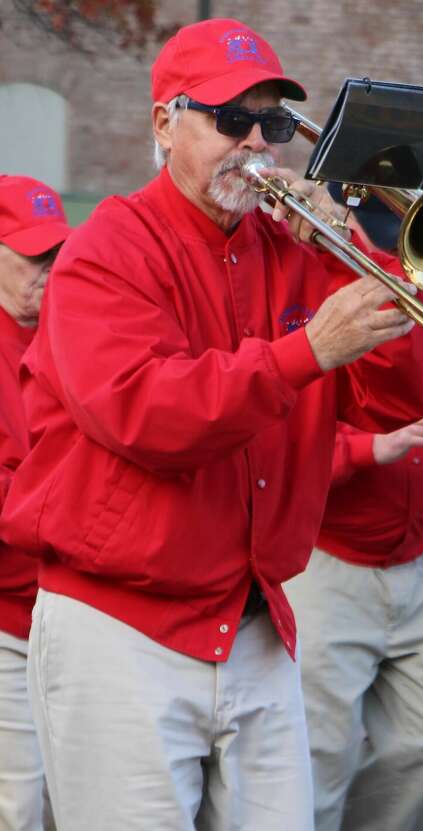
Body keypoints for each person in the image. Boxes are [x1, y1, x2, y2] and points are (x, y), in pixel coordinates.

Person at [0, 18, 423, 830]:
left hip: (252, 617)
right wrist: (306, 350)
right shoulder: (108, 246)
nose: (255, 143)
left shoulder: (293, 246)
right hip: (120, 620)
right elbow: (148, 412)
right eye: (230, 118)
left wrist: (354, 247)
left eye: (271, 123)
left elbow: (405, 395)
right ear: (164, 123)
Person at [287, 185, 423, 831]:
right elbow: (281, 438)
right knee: (316, 752)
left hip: (421, 555)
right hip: (329, 560)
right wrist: (367, 449)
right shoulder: (311, 286)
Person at [0, 174, 70, 831]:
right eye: (32, 256)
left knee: (71, 806)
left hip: (70, 612)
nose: (48, 271)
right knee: (18, 807)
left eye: (58, 255)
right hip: (7, 613)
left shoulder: (69, 333)